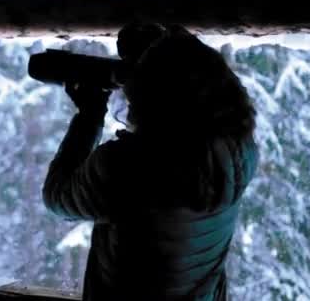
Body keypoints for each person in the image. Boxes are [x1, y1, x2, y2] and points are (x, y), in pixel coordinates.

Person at [42, 24, 258, 301]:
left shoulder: (126, 164)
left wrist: (89, 114)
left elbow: (57, 196)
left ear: (148, 98)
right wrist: (163, 53)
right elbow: (198, 87)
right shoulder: (239, 153)